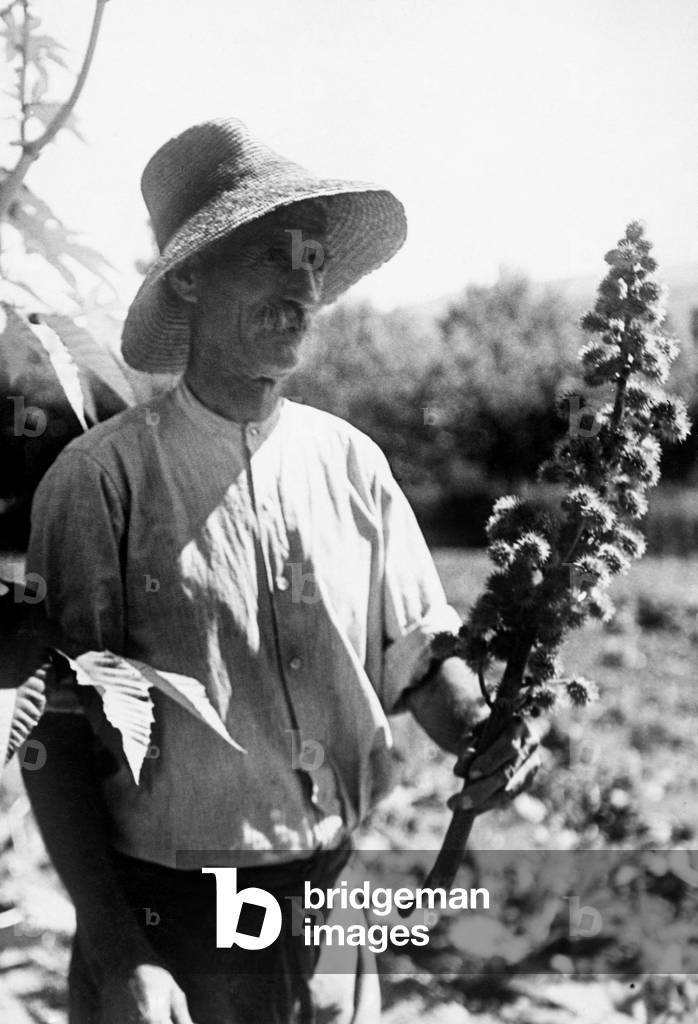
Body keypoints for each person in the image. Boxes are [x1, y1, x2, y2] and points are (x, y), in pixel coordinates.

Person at [21, 118, 540, 1024]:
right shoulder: (101, 481)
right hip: (173, 929)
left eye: (312, 260)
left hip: (332, 911)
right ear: (190, 274)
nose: (304, 284)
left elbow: (416, 655)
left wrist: (484, 734)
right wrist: (121, 953)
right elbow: (51, 737)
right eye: (270, 255)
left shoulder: (353, 465)